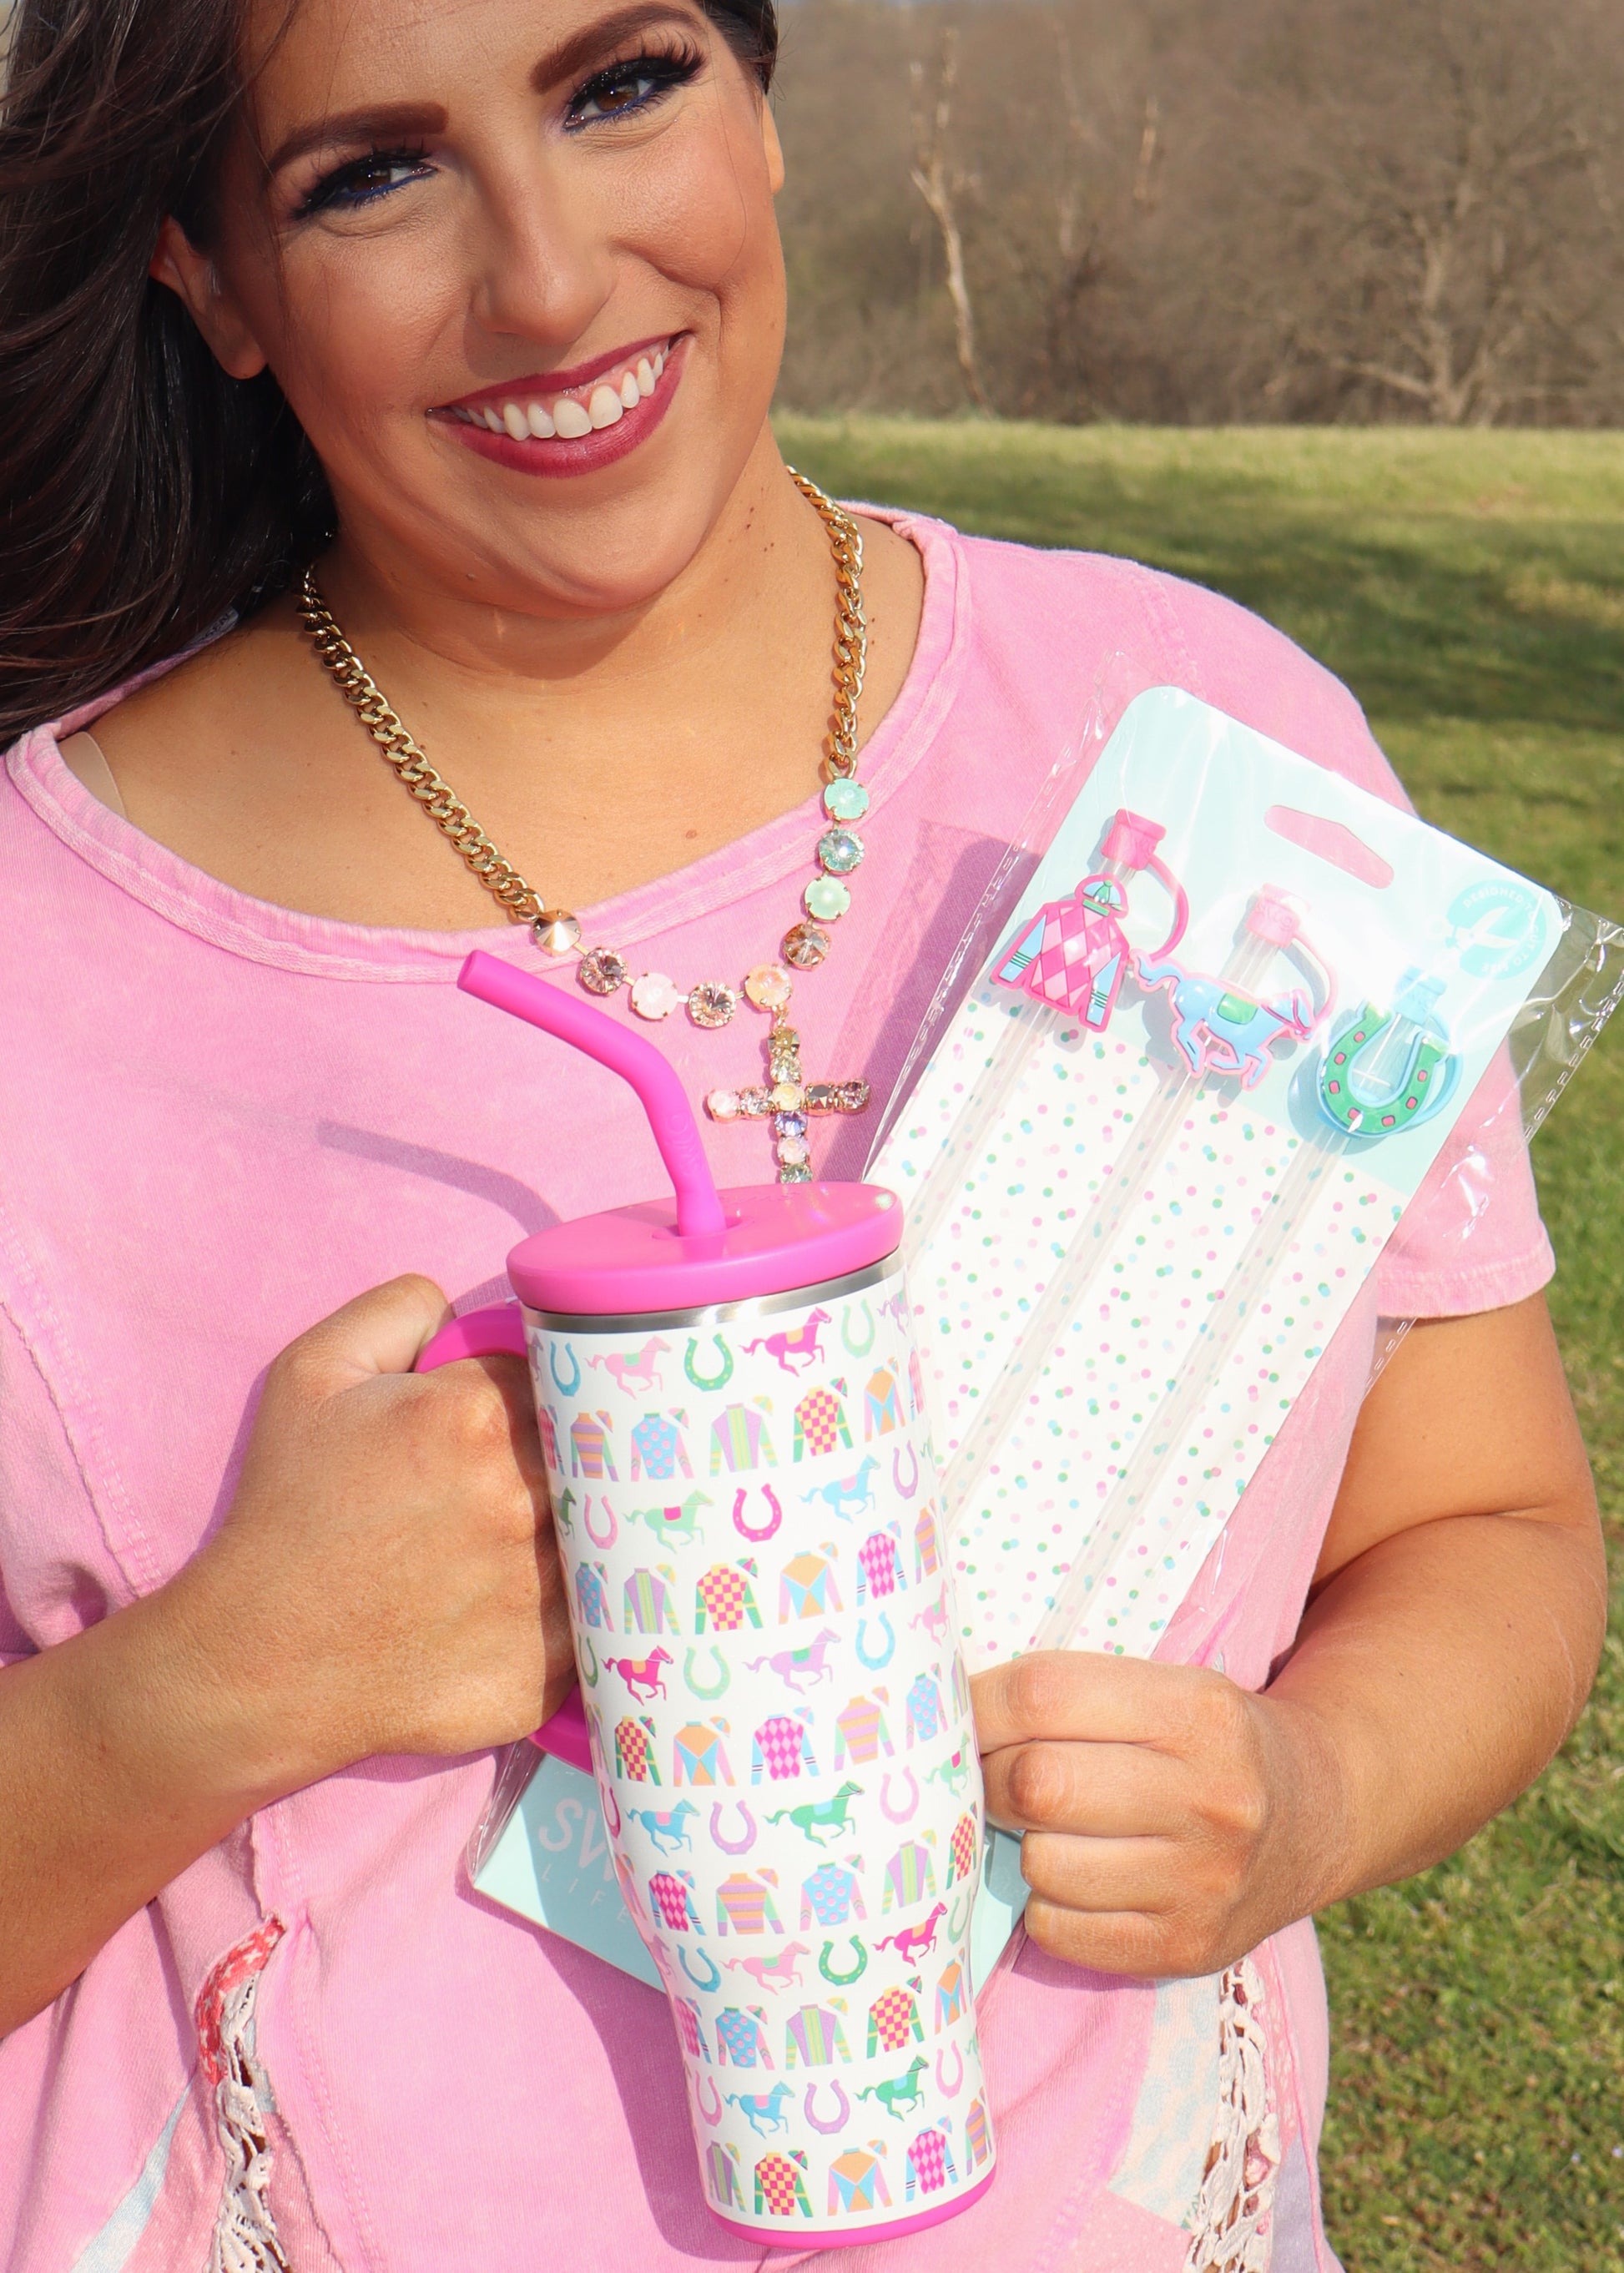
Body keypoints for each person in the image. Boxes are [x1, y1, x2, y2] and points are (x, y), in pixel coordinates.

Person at [0, 0, 1604, 2266]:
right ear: (213, 278)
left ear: (756, 105)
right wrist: (214, 1684)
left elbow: (1487, 1523)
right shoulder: (42, 959)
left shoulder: (1213, 765)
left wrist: (1308, 1795)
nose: (549, 277)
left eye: (619, 85)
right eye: (371, 175)